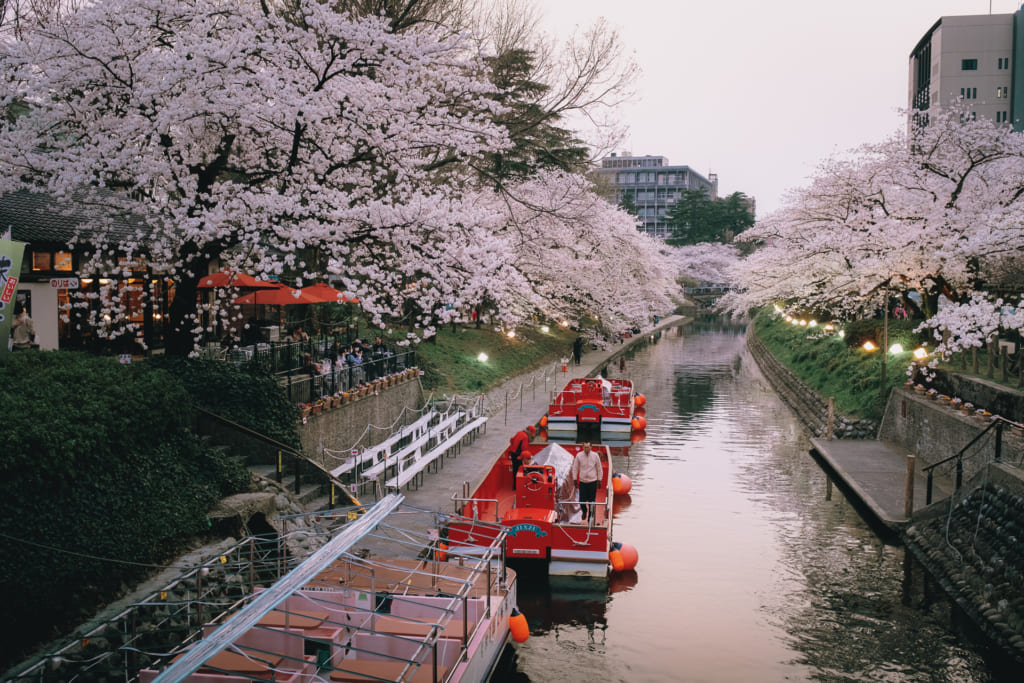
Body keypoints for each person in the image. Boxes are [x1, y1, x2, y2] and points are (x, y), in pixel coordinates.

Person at [571, 442, 602, 524]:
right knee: (582, 501)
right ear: (582, 447)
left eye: (588, 447)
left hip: (593, 481)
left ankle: (590, 517)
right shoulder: (579, 456)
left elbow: (599, 468)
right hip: (583, 482)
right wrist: (574, 479)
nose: (586, 449)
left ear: (591, 447)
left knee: (592, 501)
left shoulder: (595, 456)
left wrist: (599, 479)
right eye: (585, 447)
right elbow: (575, 468)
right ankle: (584, 510)